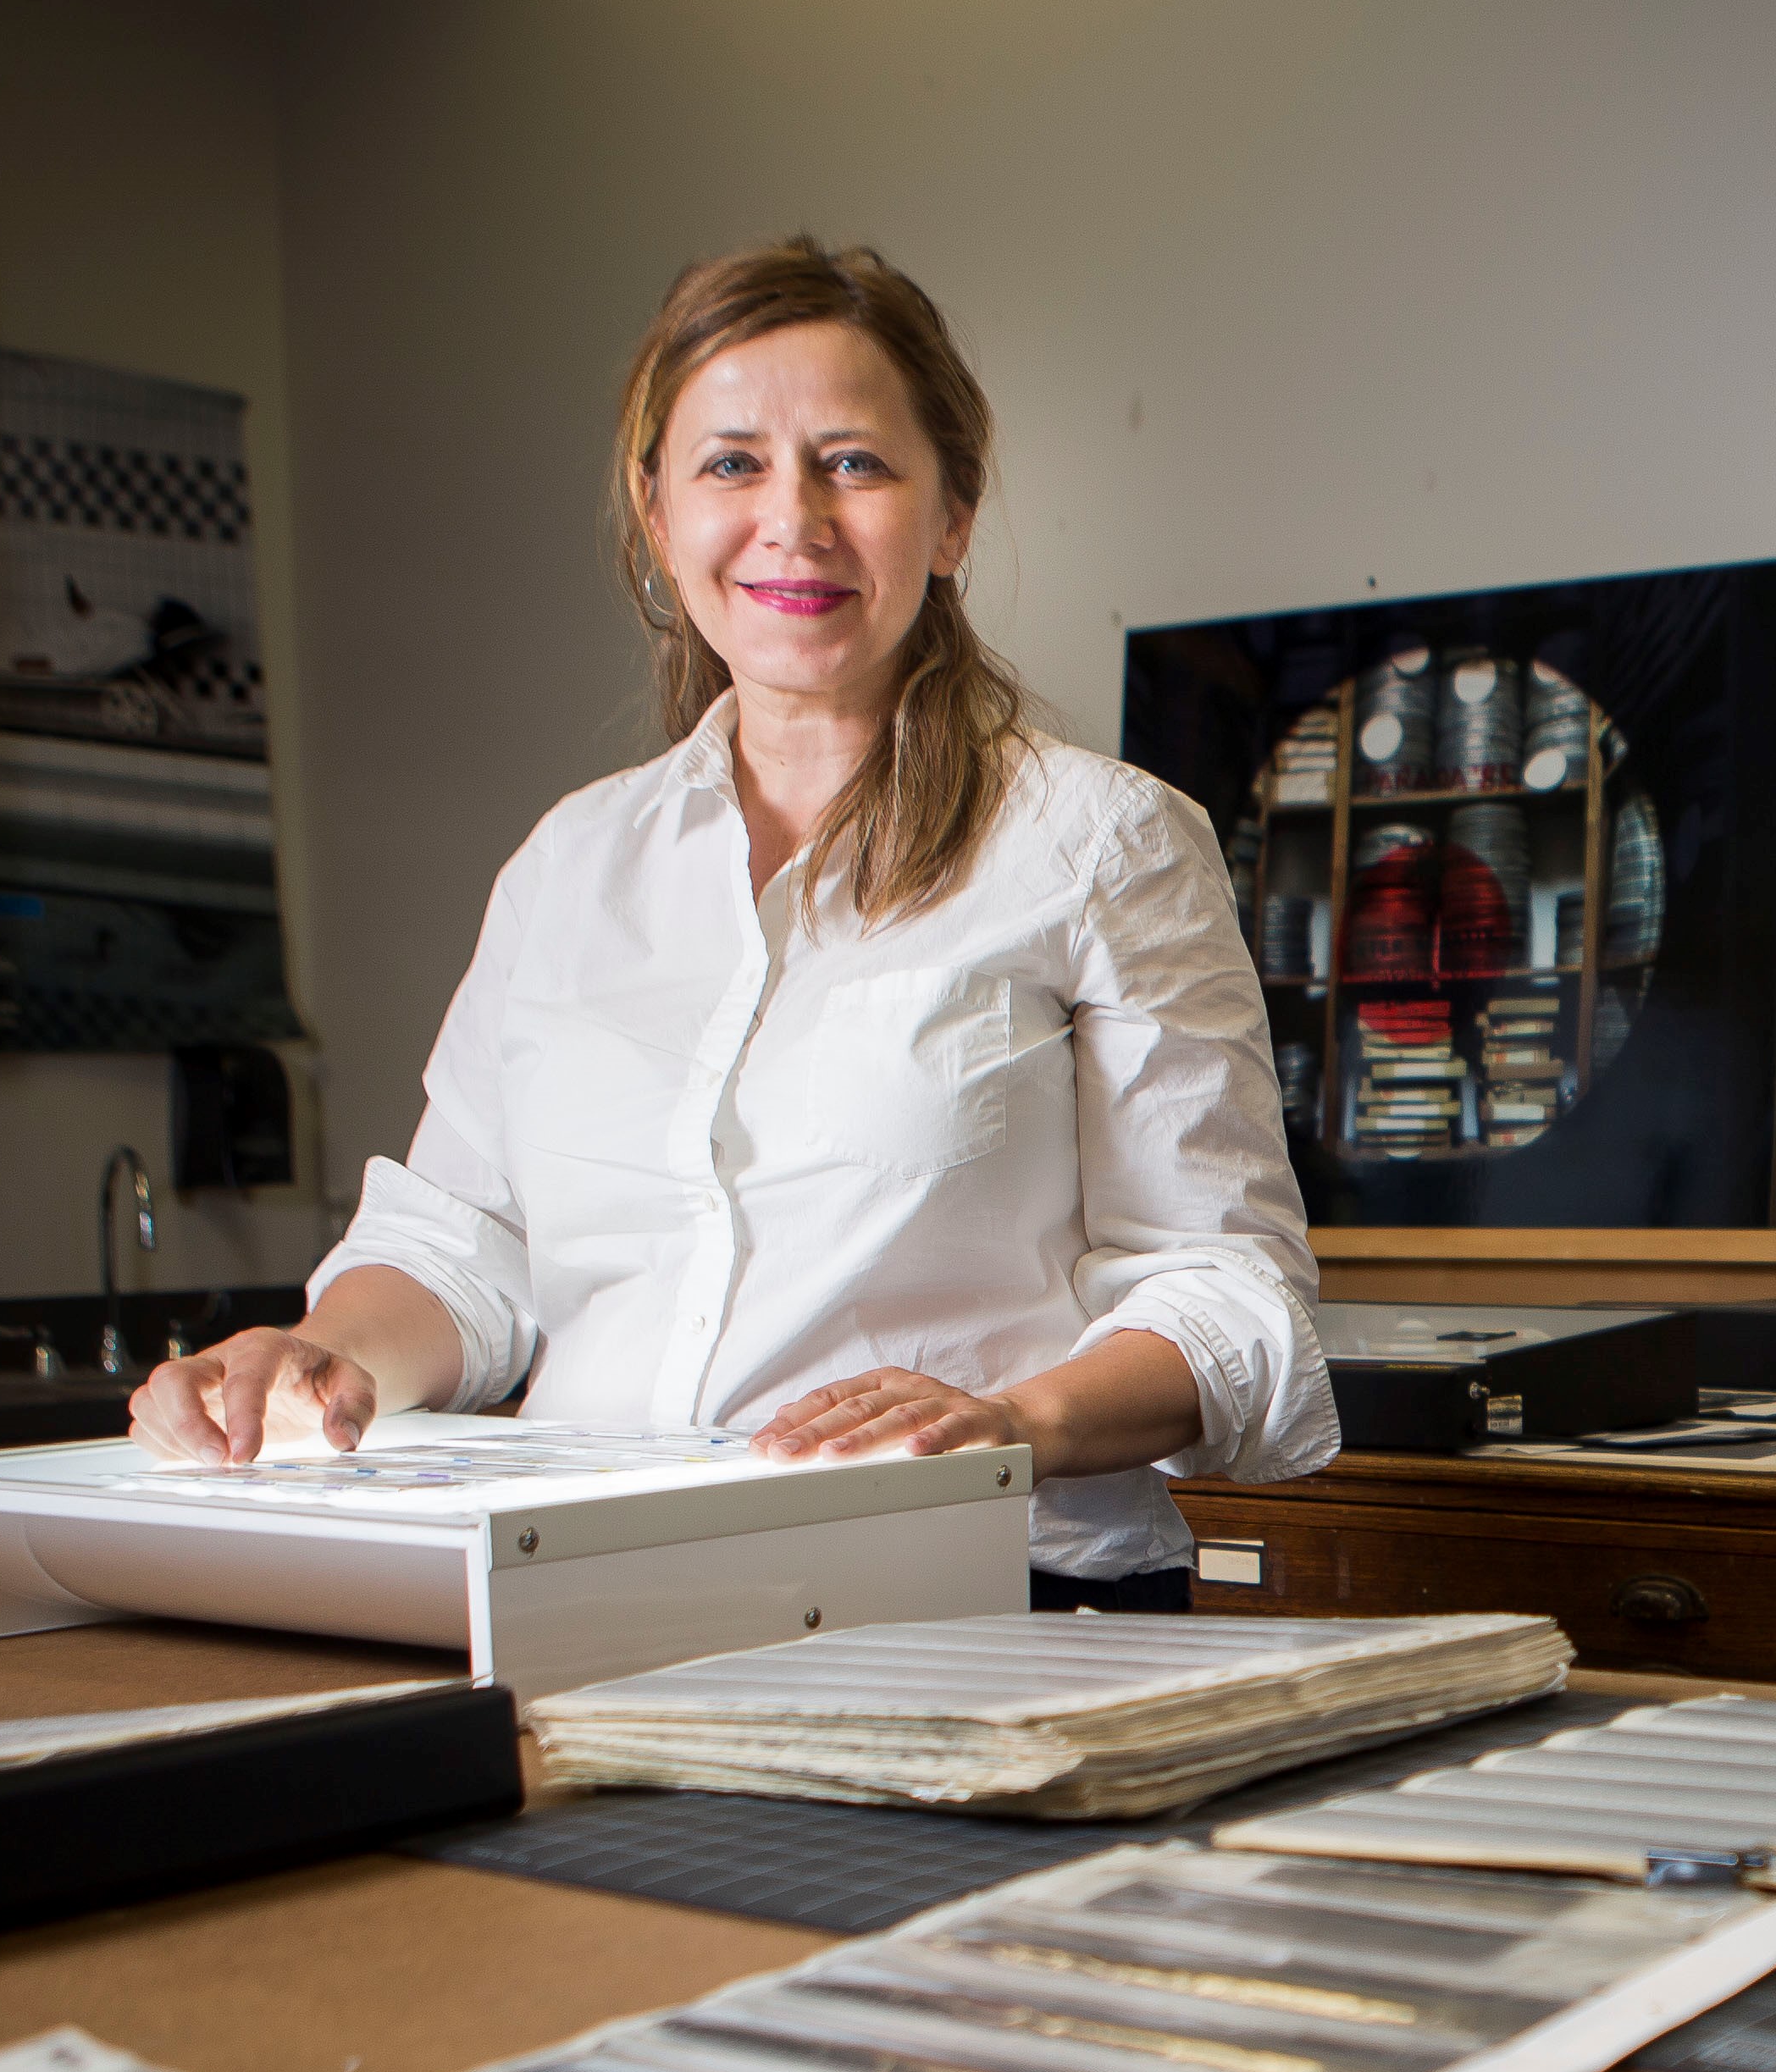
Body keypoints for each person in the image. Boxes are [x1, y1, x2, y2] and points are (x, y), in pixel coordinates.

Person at [130, 239, 1336, 1611]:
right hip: (580, 1596)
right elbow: (463, 1247)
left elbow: (1232, 1302)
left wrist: (1010, 1428)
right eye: (731, 465)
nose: (795, 519)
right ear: (658, 519)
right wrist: (320, 1354)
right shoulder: (569, 864)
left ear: (951, 520)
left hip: (980, 1596)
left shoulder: (1103, 843)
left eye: (855, 464)